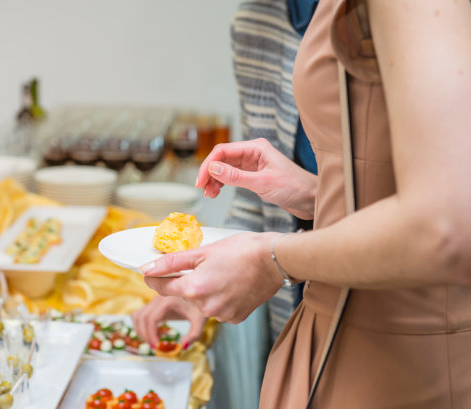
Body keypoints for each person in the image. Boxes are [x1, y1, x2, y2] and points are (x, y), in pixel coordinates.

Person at [139, 0, 471, 407]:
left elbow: (445, 227)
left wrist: (273, 259)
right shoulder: (259, 18)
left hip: (402, 356)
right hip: (333, 335)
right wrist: (318, 195)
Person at [133, 1, 318, 408]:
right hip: (298, 326)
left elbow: (427, 223)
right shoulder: (257, 20)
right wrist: (195, 282)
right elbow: (259, 202)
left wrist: (277, 260)